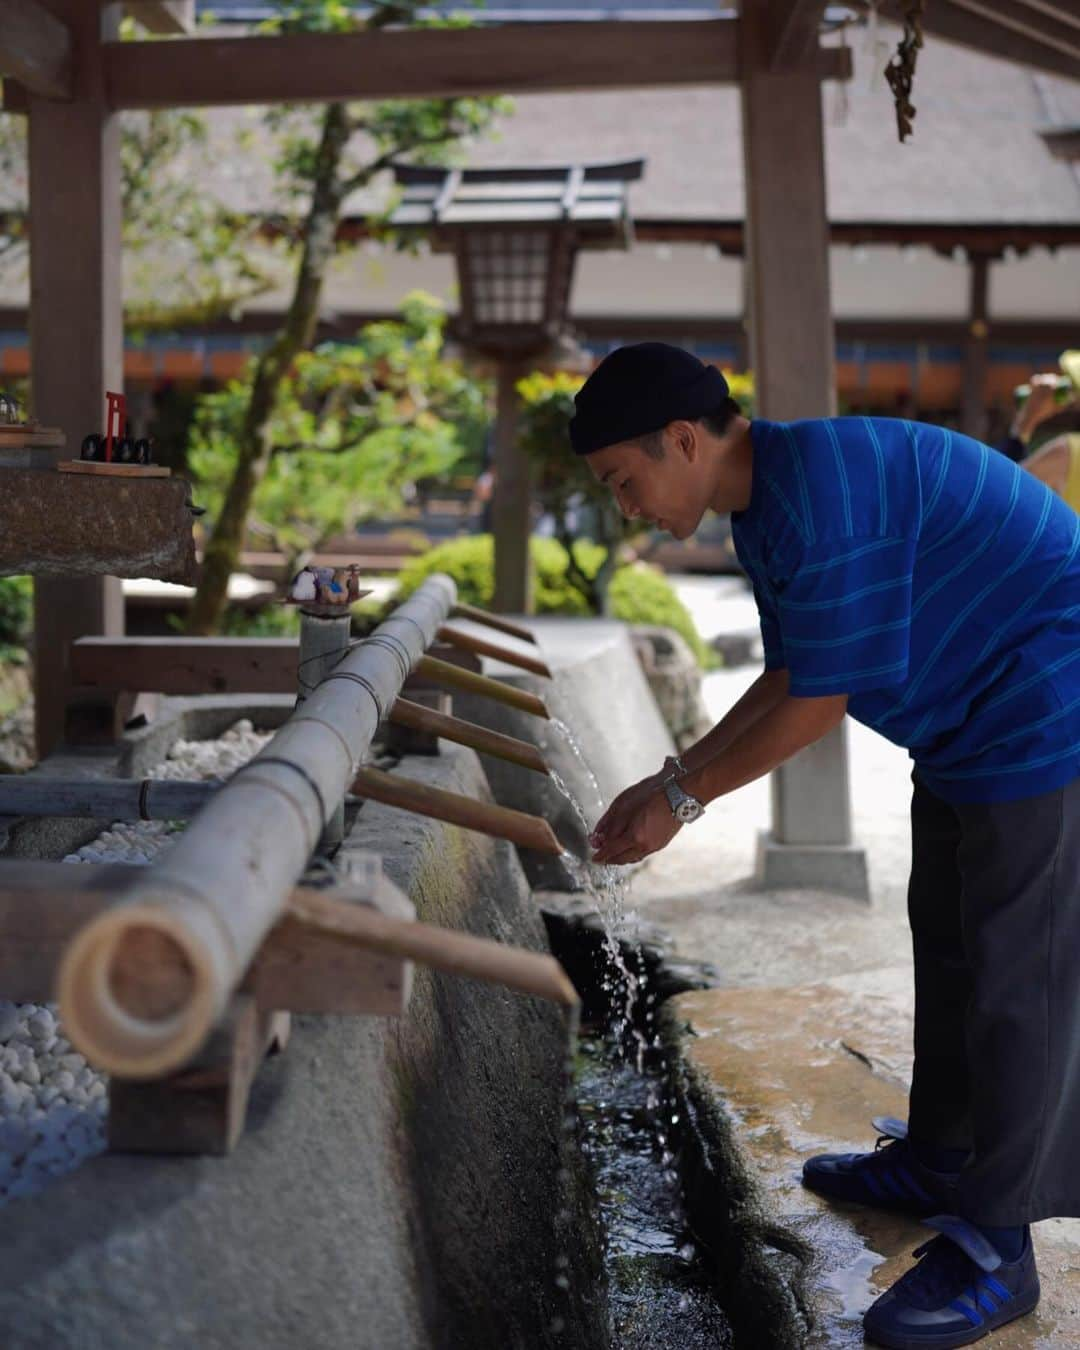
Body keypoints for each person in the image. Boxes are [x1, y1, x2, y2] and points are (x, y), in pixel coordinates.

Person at [570, 342, 1080, 1349]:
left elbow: (817, 700)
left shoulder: (817, 495)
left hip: (1046, 703)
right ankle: (942, 1154)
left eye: (624, 482)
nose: (626, 508)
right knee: (947, 928)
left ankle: (998, 1247)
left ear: (682, 440)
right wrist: (675, 781)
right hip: (969, 713)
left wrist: (679, 797)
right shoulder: (775, 499)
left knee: (1023, 971)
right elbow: (799, 667)